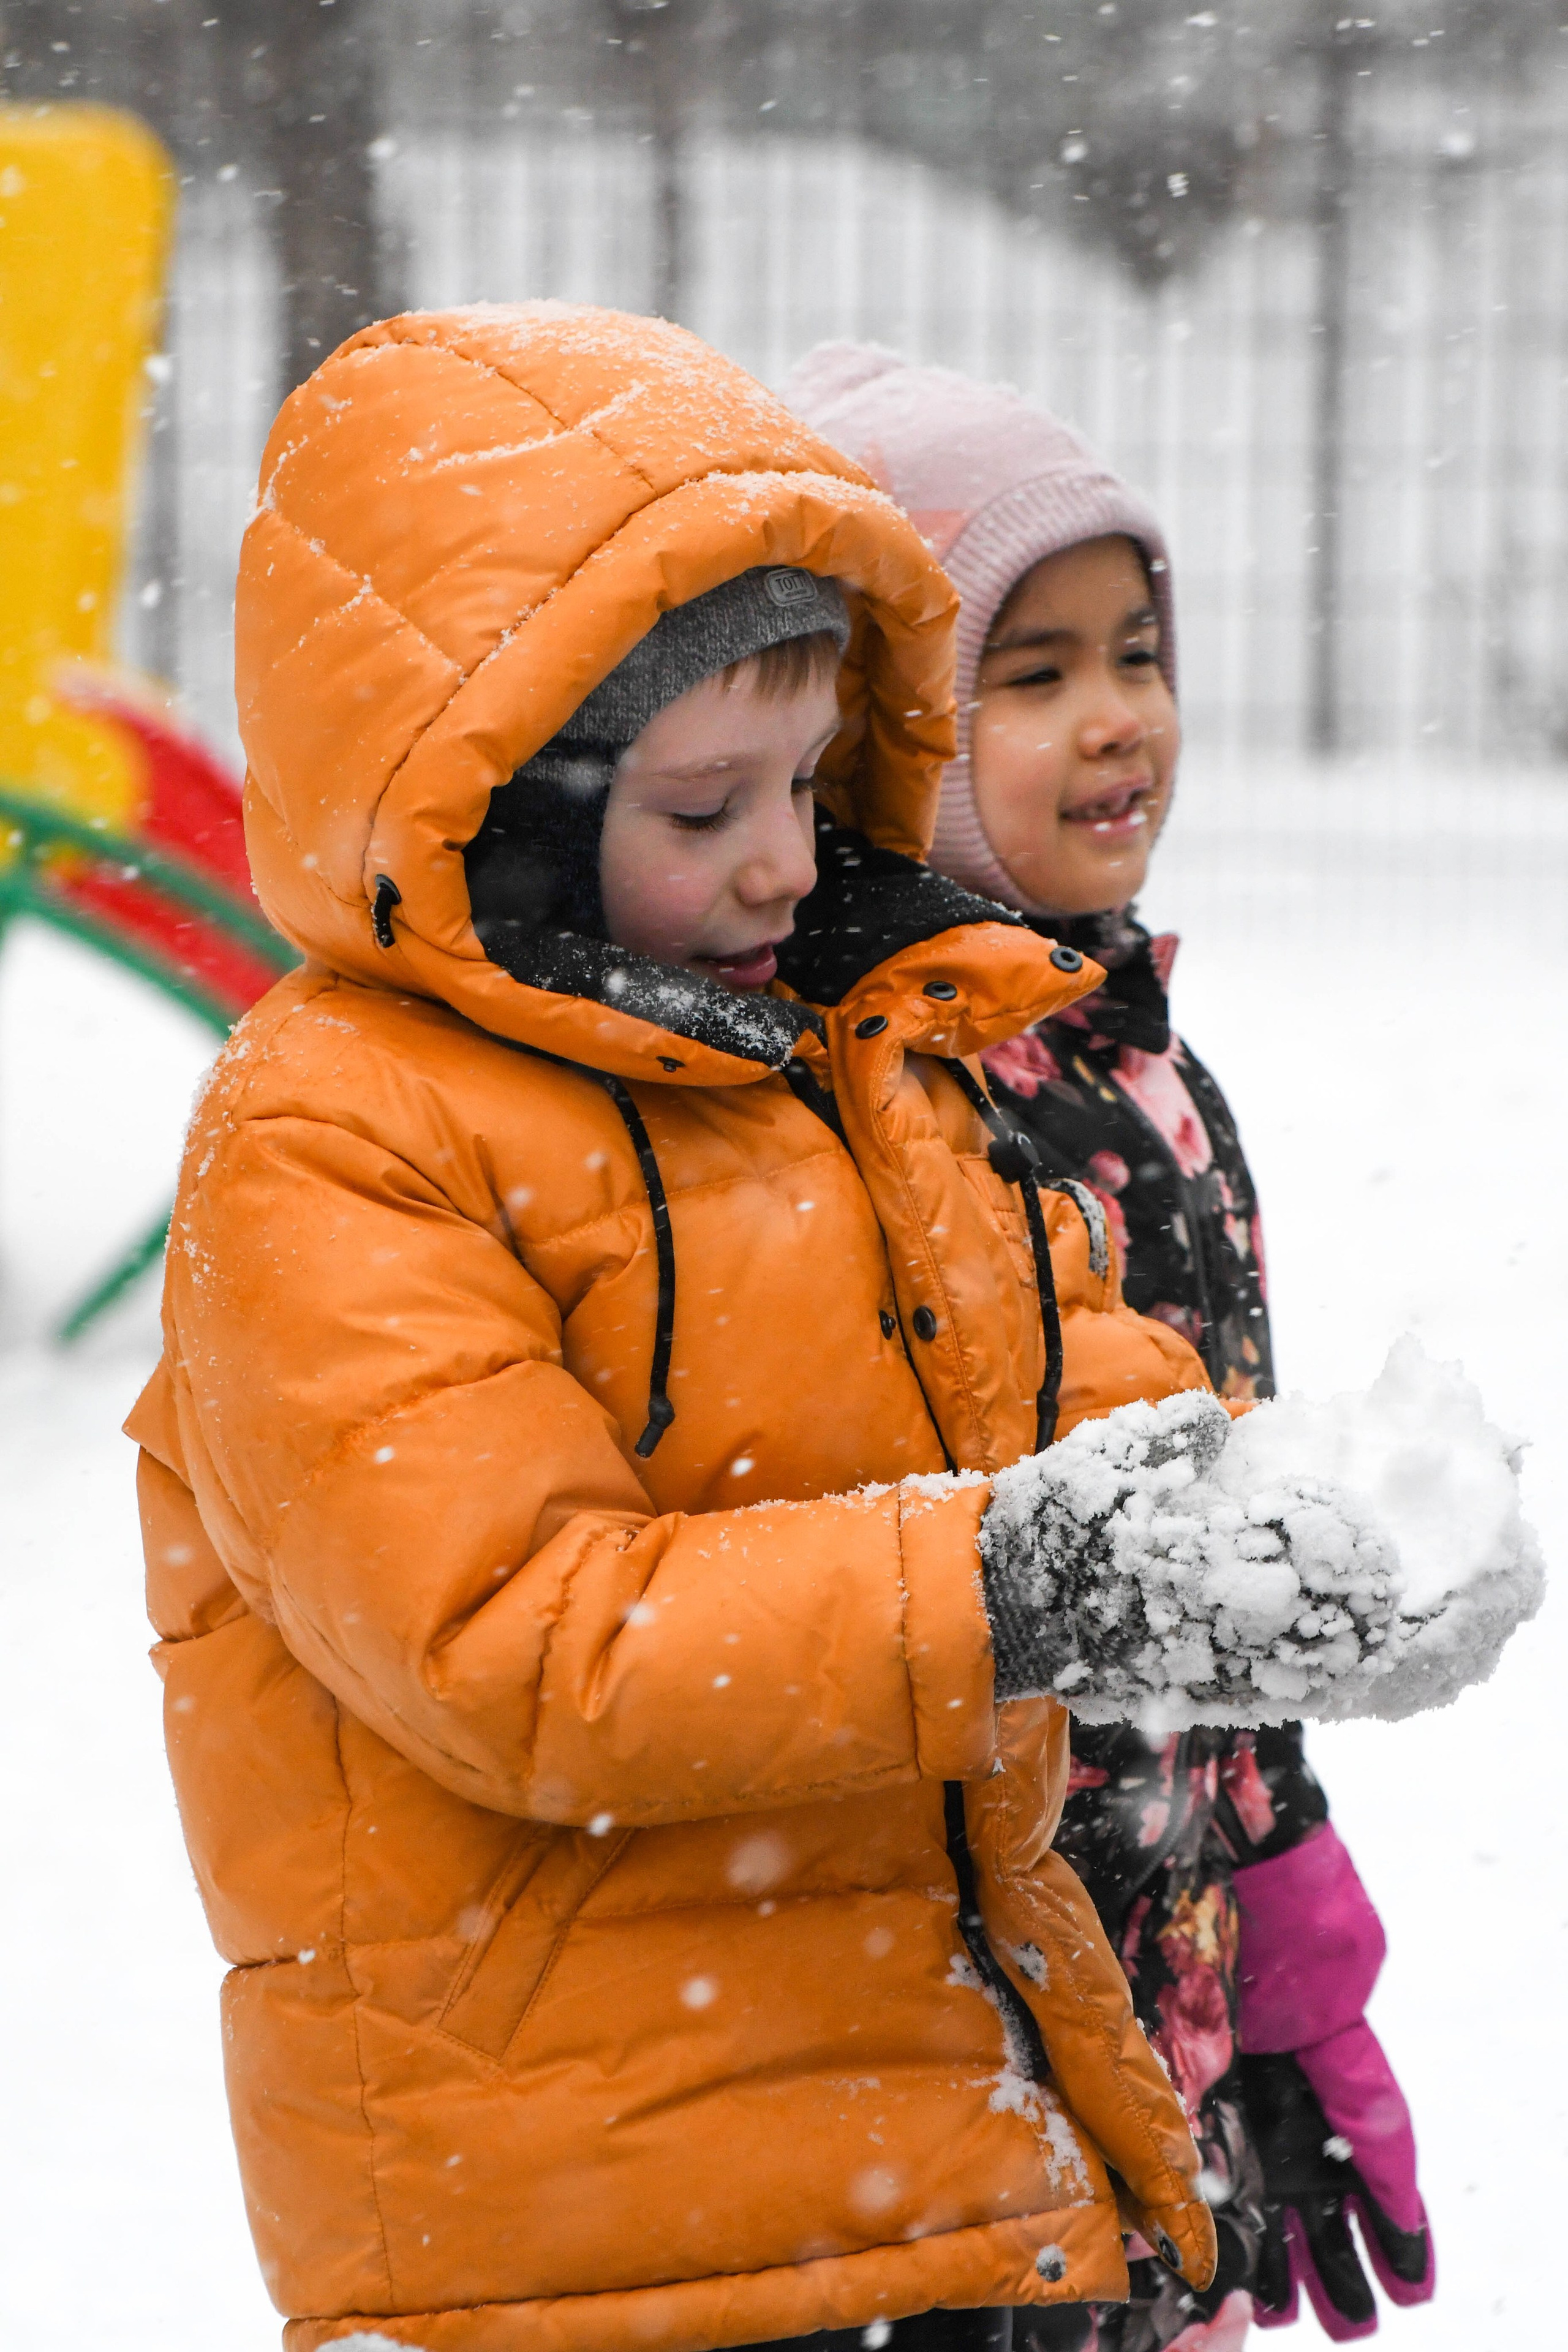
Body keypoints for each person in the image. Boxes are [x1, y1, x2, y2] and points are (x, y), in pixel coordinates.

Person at [129, 301, 1238, 2352]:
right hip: (590, 2227)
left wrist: (1209, 1504)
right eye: (704, 804)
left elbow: (1014, 1373)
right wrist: (1011, 1577)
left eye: (813, 783)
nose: (785, 864)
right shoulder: (337, 1140)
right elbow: (523, 1644)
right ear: (497, 807)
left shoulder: (825, 1055)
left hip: (945, 2137)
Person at [784, 347, 1436, 2352]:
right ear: (880, 732)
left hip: (1169, 1999)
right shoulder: (850, 1117)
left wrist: (1287, 1939)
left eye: (1135, 649)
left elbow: (1220, 1567)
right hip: (946, 2069)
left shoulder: (1147, 1075)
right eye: (1031, 670)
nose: (1117, 718)